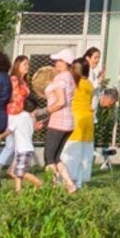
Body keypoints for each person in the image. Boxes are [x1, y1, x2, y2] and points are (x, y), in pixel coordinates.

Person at [57, 48, 101, 189]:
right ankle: (80, 182)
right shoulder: (89, 84)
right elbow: (94, 103)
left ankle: (66, 180)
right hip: (88, 119)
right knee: (84, 154)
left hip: (75, 118)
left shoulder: (72, 83)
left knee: (70, 151)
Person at [31, 51, 76, 180]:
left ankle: (53, 187)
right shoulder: (70, 78)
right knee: (56, 157)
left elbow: (60, 102)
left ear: (65, 63)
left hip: (59, 122)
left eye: (58, 61)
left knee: (49, 157)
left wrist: (43, 112)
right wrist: (46, 121)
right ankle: (70, 185)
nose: (55, 63)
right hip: (68, 122)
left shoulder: (60, 78)